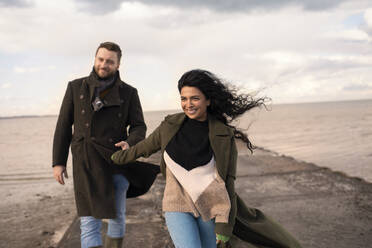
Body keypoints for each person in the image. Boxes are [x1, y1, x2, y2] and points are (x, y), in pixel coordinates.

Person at [111, 69, 302, 248]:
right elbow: (142, 149)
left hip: (209, 208)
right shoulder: (169, 126)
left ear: (208, 100)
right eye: (184, 99)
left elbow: (228, 184)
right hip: (176, 205)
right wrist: (114, 156)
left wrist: (224, 226)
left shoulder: (223, 136)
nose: (188, 104)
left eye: (195, 98)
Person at [52, 41, 159, 248]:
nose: (104, 64)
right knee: (88, 220)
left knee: (116, 216)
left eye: (110, 61)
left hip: (115, 162)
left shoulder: (129, 93)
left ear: (118, 65)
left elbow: (139, 127)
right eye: (100, 59)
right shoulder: (75, 87)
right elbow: (63, 126)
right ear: (95, 59)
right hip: (85, 161)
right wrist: (58, 162)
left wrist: (130, 143)